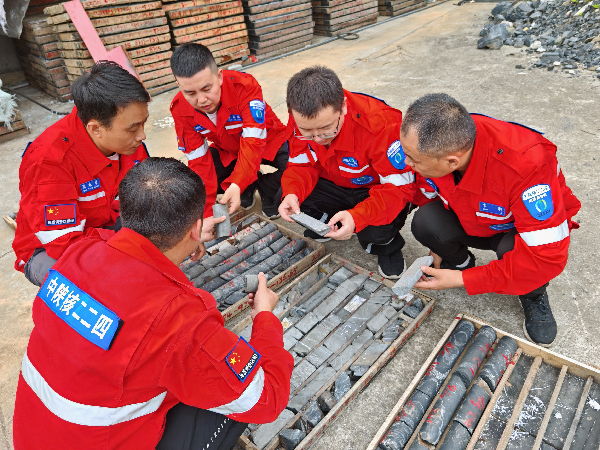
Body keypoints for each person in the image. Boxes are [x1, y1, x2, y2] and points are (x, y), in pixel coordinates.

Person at [12, 157, 294, 450]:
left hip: (35, 435)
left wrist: (186, 236)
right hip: (102, 442)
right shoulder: (179, 320)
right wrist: (265, 318)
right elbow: (266, 399)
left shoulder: (77, 255)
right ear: (195, 230)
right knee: (232, 390)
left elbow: (123, 250)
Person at [402, 93, 581, 347]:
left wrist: (466, 281)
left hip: (512, 230)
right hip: (470, 216)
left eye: (414, 160)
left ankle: (532, 294)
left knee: (515, 252)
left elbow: (545, 258)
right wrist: (437, 248)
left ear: (452, 161)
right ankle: (460, 262)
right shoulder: (438, 143)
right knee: (425, 221)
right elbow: (425, 191)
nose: (407, 164)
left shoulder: (527, 166)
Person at [12, 61, 151, 286]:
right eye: (133, 128)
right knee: (100, 285)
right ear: (95, 128)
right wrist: (129, 247)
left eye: (143, 123)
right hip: (50, 249)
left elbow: (148, 188)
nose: (142, 136)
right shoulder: (50, 162)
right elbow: (63, 243)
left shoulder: (126, 141)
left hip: (105, 224)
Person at [278, 66, 415, 279]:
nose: (317, 139)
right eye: (307, 132)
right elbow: (300, 165)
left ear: (342, 106)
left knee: (375, 228)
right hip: (333, 181)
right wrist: (293, 192)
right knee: (288, 194)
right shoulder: (300, 118)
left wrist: (357, 217)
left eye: (326, 129)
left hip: (372, 190)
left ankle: (387, 247)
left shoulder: (381, 124)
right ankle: (326, 224)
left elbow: (398, 190)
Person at [169, 43, 289, 218]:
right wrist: (207, 213)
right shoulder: (180, 109)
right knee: (191, 183)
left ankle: (266, 188)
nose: (201, 100)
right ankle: (246, 188)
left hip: (269, 140)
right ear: (178, 85)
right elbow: (198, 162)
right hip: (229, 151)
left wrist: (237, 183)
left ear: (219, 76)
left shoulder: (244, 87)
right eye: (190, 93)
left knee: (303, 166)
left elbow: (253, 142)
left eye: (206, 89)